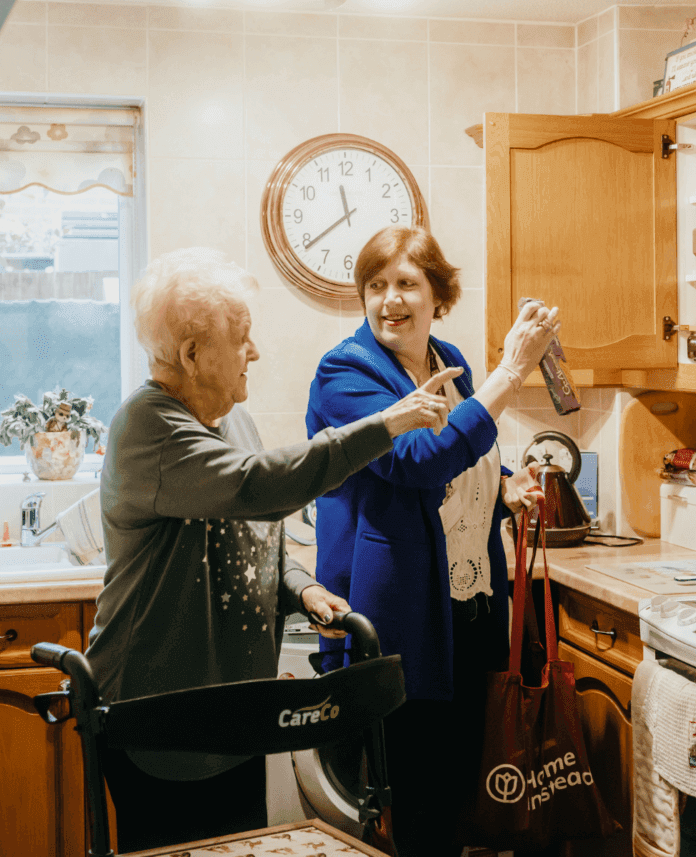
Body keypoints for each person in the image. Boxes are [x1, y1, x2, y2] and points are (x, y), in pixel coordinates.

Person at [84, 246, 462, 854]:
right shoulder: (148, 430)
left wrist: (301, 586)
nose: (254, 352)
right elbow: (257, 487)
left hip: (234, 709)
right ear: (191, 354)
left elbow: (257, 534)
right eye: (242, 339)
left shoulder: (232, 418)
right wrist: (386, 424)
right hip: (161, 715)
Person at [305, 226, 562, 856]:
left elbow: (461, 459)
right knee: (414, 809)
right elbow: (415, 460)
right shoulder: (344, 373)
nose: (389, 299)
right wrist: (509, 374)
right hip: (400, 620)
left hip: (470, 607)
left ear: (437, 296)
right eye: (375, 285)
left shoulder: (447, 362)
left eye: (406, 284)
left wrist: (503, 485)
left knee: (453, 799)